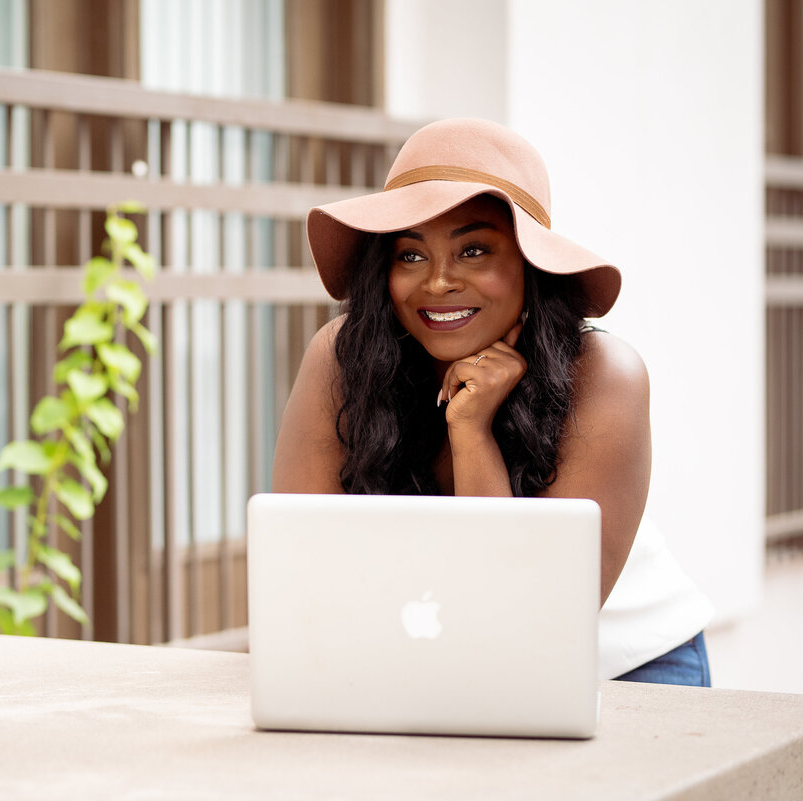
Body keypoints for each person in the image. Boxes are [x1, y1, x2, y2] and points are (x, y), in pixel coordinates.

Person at [273, 118, 714, 686]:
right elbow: (299, 568)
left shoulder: (605, 374)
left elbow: (530, 628)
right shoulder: (343, 359)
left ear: (531, 265)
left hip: (622, 665)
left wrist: (472, 430)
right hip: (419, 669)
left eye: (473, 250)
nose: (437, 283)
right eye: (410, 255)